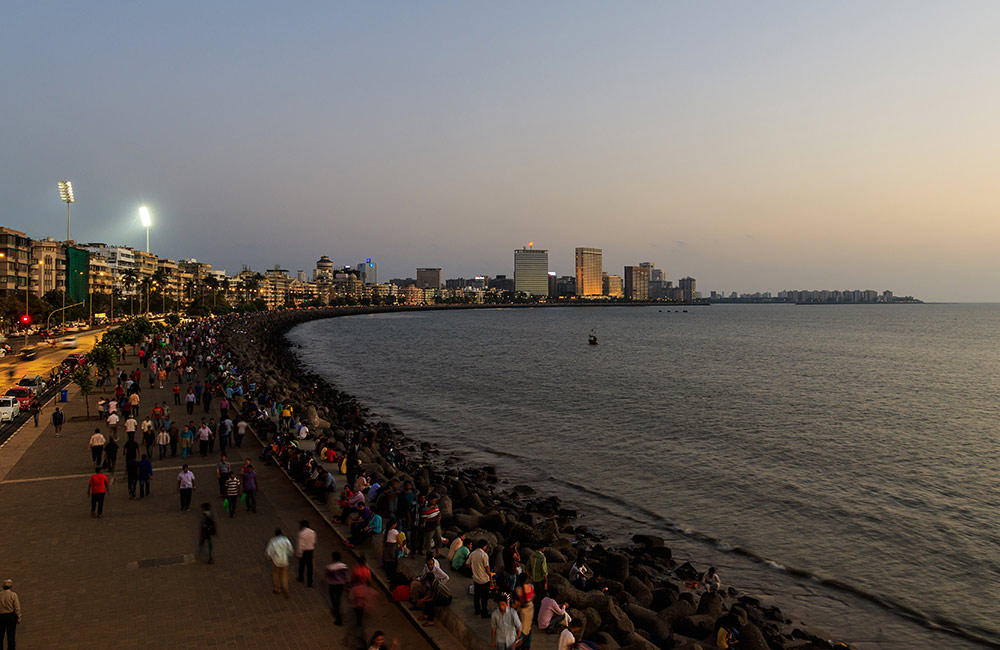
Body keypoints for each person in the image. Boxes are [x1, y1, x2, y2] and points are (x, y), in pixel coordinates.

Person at [266, 528, 293, 597]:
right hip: (285, 560)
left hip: (276, 561)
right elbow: (290, 550)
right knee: (284, 574)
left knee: (276, 574)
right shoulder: (286, 540)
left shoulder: (273, 541)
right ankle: (285, 587)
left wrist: (269, 557)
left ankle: (277, 588)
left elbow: (269, 552)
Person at [325, 551, 350, 626]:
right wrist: (348, 585)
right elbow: (346, 577)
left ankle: (338, 619)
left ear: (333, 558)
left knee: (334, 602)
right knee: (338, 599)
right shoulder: (344, 566)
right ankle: (337, 609)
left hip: (333, 586)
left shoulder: (330, 567)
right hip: (340, 586)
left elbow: (327, 577)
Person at [469, 539, 492, 618]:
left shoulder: (473, 553)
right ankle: (484, 612)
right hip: (484, 579)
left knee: (476, 596)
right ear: (484, 546)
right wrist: (490, 576)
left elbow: (467, 563)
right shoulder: (484, 555)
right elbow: (487, 567)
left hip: (476, 579)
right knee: (484, 597)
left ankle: (477, 610)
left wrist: (473, 569)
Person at [512, 573, 535, 649]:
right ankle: (525, 645)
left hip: (521, 609)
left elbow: (515, 600)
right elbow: (533, 596)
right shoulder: (531, 587)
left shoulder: (517, 589)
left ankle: (517, 643)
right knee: (528, 627)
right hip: (530, 608)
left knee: (520, 627)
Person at [0, 579, 20, 649]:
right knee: (11, 636)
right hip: (10, 616)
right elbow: (17, 608)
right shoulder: (13, 595)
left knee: (0, 636)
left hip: (1, 616)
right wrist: (18, 618)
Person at [296, 520, 316, 587]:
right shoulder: (313, 532)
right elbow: (314, 541)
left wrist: (299, 554)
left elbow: (300, 545)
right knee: (310, 566)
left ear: (302, 525)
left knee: (302, 565)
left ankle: (301, 577)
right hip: (310, 550)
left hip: (304, 551)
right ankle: (310, 582)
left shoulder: (301, 533)